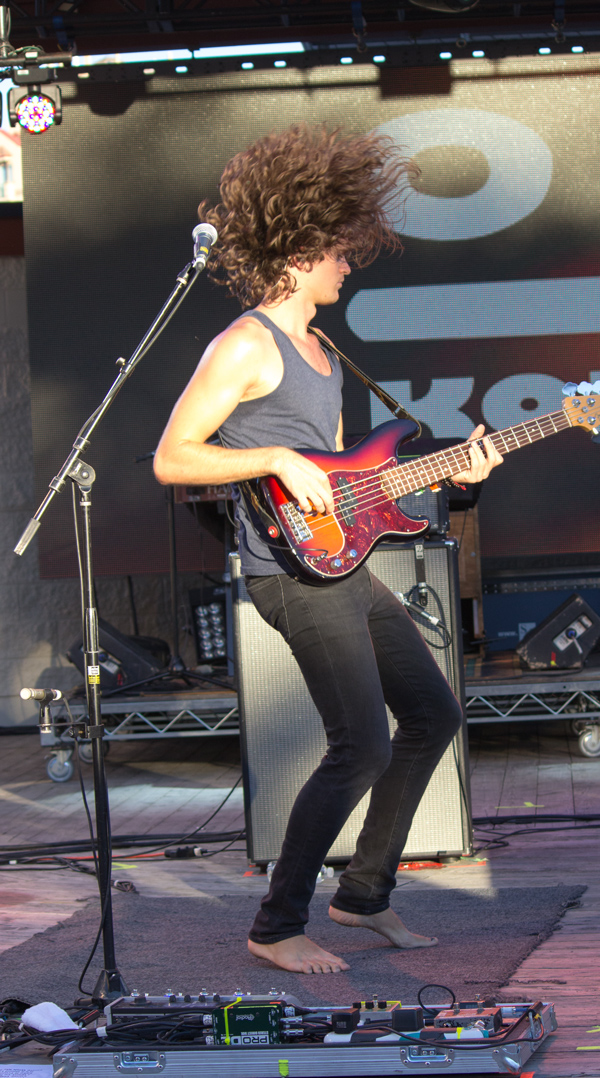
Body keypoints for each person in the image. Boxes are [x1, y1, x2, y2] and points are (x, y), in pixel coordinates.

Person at [153, 125, 502, 974]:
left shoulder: (324, 353)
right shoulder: (245, 344)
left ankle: (363, 894)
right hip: (287, 576)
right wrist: (274, 457)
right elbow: (172, 458)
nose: (348, 265)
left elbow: (352, 486)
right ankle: (277, 926)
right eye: (340, 253)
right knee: (363, 745)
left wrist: (456, 476)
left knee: (434, 715)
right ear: (300, 251)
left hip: (339, 564)